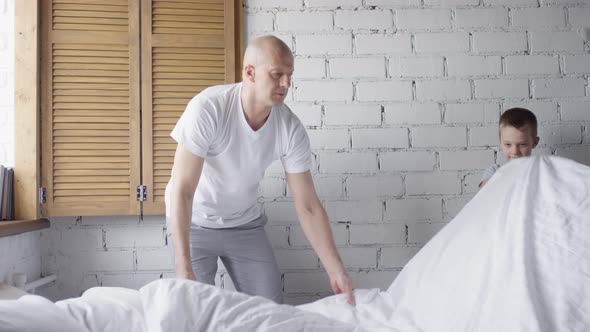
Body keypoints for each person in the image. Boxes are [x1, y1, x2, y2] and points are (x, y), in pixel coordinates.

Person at [165, 35, 354, 305]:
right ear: (250, 73)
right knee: (194, 307)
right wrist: (183, 268)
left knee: (270, 309)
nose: (286, 84)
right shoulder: (208, 108)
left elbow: (308, 205)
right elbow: (182, 190)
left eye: (289, 75)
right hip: (194, 221)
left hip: (244, 224)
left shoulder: (289, 128)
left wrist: (337, 271)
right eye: (277, 74)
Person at [479, 107, 540, 188]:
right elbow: (484, 193)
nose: (515, 151)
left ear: (534, 142)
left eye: (522, 144)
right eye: (508, 144)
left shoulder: (541, 173)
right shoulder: (494, 172)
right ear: (500, 141)